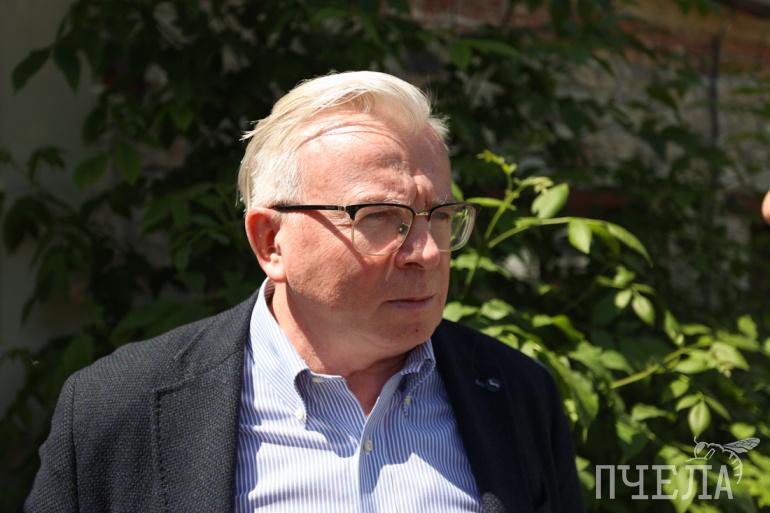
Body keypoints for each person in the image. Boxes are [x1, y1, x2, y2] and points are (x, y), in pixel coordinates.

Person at [25, 71, 583, 513]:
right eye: (380, 216)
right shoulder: (118, 408)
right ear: (271, 241)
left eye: (438, 215)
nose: (428, 253)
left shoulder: (516, 395)